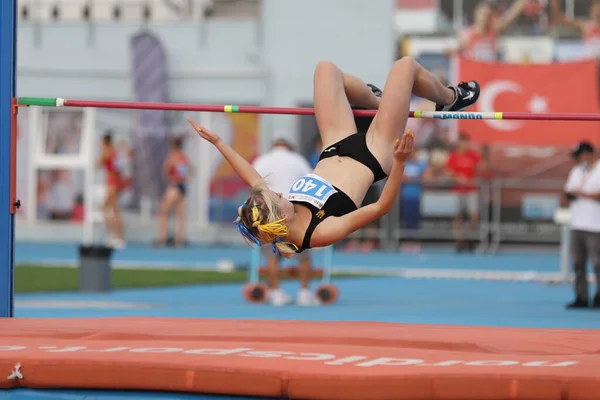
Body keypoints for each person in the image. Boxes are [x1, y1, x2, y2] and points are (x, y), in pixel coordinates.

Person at [188, 59, 480, 256]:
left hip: (334, 145)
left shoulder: (273, 209)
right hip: (373, 154)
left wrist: (217, 141)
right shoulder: (318, 232)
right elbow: (380, 207)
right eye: (276, 199)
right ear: (279, 220)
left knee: (325, 70)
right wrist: (400, 162)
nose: (276, 191)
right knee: (405, 67)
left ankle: (379, 100)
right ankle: (448, 97)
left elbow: (250, 176)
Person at [252, 138, 320, 306]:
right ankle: (304, 293)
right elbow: (312, 182)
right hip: (292, 211)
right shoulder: (298, 160)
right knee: (303, 255)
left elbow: (253, 185)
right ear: (289, 147)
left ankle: (275, 293)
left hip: (268, 212)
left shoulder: (262, 160)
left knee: (272, 256)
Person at [563, 141, 600, 309]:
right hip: (577, 223)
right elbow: (568, 191)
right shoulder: (576, 171)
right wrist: (573, 195)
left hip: (596, 225)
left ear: (589, 153)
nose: (578, 159)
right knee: (578, 263)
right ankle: (581, 296)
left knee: (597, 263)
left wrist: (584, 194)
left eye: (580, 155)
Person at [452, 0, 529, 62]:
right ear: (476, 14)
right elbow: (456, 53)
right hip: (474, 72)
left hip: (490, 72)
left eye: (487, 15)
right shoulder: (466, 33)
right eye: (483, 14)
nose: (484, 18)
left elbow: (511, 15)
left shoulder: (494, 30)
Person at [446, 133, 482, 253]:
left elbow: (482, 168)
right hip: (457, 190)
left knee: (474, 215)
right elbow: (448, 172)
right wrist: (457, 177)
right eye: (462, 142)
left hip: (471, 190)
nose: (464, 145)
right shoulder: (453, 156)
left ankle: (471, 239)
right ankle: (459, 242)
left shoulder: (473, 155)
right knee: (457, 216)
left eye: (466, 142)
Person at [155, 137, 193, 247]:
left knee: (163, 211)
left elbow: (165, 170)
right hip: (182, 186)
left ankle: (162, 237)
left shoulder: (173, 156)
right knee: (180, 214)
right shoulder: (184, 157)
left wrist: (170, 179)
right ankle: (180, 238)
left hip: (174, 185)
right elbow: (191, 170)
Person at [96, 132, 126, 249]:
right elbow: (118, 169)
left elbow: (98, 164)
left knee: (106, 209)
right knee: (114, 211)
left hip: (112, 184)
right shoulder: (114, 153)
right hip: (115, 183)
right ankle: (118, 236)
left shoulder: (107, 152)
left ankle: (114, 236)